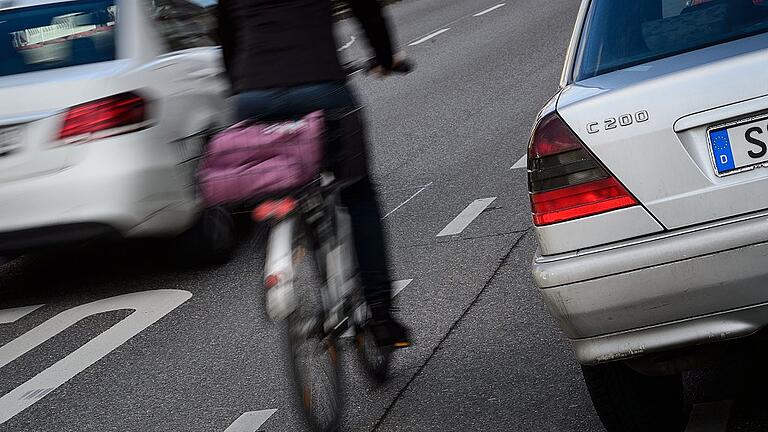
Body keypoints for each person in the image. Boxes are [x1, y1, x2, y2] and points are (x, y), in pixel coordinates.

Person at [216, 0, 411, 348]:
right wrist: (383, 56)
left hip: (254, 96)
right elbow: (366, 9)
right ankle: (381, 315)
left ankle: (277, 253)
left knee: (272, 183)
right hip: (322, 88)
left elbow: (225, 35)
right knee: (358, 193)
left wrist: (242, 89)